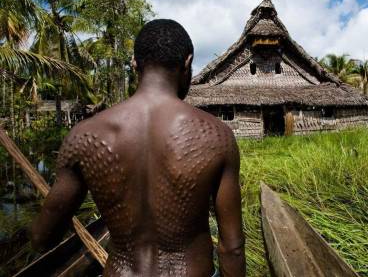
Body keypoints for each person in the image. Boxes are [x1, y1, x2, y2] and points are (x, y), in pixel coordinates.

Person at [31, 19, 246, 277]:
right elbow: (232, 247)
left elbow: (43, 239)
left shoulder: (84, 136)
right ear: (187, 63)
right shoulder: (216, 136)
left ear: (134, 62)